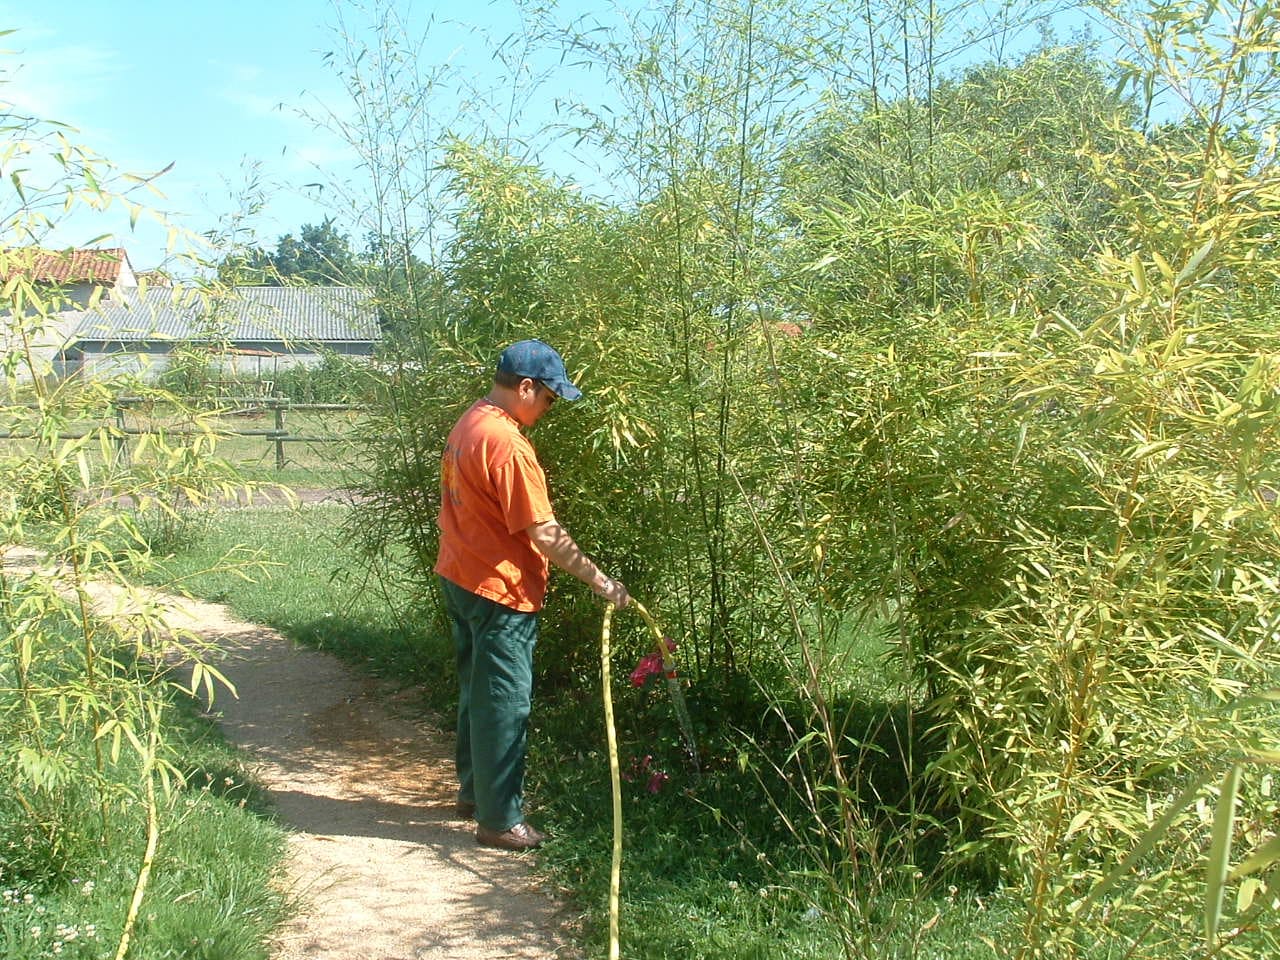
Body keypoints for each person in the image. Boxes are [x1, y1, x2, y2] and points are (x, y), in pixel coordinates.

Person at [435, 339, 631, 851]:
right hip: (499, 590)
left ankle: (475, 794)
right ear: (525, 387)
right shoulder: (507, 444)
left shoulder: (470, 422)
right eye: (547, 398)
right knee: (504, 700)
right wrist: (599, 579)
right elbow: (542, 530)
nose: (547, 409)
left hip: (459, 576)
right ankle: (499, 821)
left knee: (477, 692)